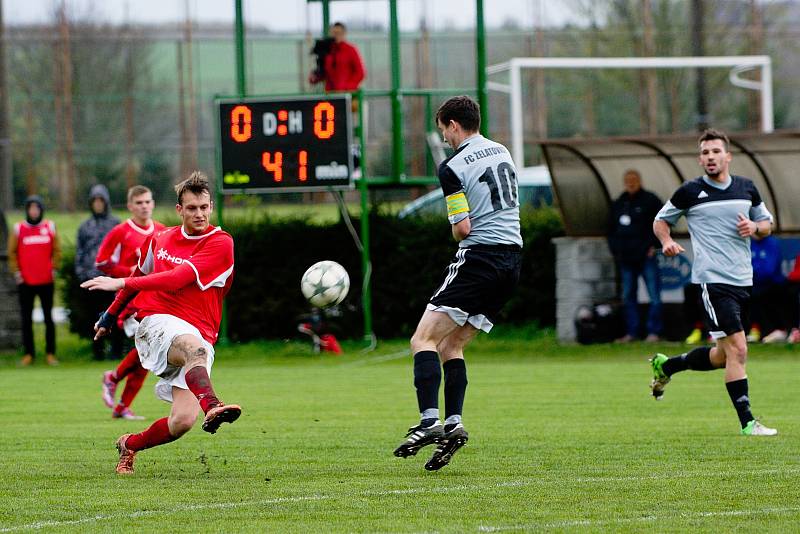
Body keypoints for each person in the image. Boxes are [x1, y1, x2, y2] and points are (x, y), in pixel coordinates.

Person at [393, 96, 522, 470]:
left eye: (444, 130)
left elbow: (462, 227)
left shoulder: (452, 165)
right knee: (452, 345)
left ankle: (430, 420)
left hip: (480, 257)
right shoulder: (502, 150)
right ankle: (454, 424)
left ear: (452, 124)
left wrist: (454, 228)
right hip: (512, 261)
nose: (445, 138)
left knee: (423, 339)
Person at [81, 171, 241, 475]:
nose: (199, 214)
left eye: (204, 207)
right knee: (195, 351)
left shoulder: (220, 243)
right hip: (157, 322)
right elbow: (140, 280)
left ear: (211, 207)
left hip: (200, 334)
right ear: (179, 209)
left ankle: (129, 445)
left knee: (181, 422)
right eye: (192, 208)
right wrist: (111, 315)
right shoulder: (161, 238)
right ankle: (213, 405)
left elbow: (178, 277)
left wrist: (119, 282)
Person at [650, 128, 777, 436]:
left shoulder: (747, 188)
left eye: (715, 151)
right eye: (705, 153)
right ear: (700, 159)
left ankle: (668, 367)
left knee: (723, 356)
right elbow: (660, 221)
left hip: (743, 281)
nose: (710, 157)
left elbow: (767, 224)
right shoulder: (690, 192)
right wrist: (666, 241)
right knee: (739, 350)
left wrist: (754, 227)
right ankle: (748, 422)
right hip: (712, 281)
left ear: (727, 156)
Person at [96, 185, 166, 420]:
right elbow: (102, 262)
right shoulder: (120, 231)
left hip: (154, 300)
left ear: (153, 203)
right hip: (131, 301)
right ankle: (113, 377)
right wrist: (132, 273)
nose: (144, 206)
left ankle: (122, 405)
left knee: (147, 355)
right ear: (130, 206)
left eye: (148, 201)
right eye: (139, 203)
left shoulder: (162, 232)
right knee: (147, 349)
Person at [607, 169, 664, 342]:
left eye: (634, 180)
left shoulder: (650, 200)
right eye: (628, 180)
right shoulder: (619, 203)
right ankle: (632, 332)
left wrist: (655, 245)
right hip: (626, 257)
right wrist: (616, 249)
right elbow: (610, 229)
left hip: (646, 255)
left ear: (640, 180)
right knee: (628, 297)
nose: (631, 183)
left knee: (654, 295)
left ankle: (654, 332)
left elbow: (664, 221)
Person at [7, 196, 61, 366]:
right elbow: (11, 253)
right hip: (26, 283)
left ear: (41, 210)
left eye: (36, 208)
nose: (34, 211)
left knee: (48, 319)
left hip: (46, 281)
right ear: (27, 210)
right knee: (26, 319)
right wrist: (17, 273)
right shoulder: (18, 229)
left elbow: (57, 251)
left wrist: (54, 269)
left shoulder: (49, 226)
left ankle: (51, 353)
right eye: (31, 208)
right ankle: (28, 354)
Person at [75, 184, 121, 360]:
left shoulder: (115, 224)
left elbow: (120, 250)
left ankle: (116, 350)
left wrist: (117, 273)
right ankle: (97, 351)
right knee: (93, 316)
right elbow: (80, 251)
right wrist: (81, 273)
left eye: (101, 201)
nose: (98, 204)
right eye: (95, 201)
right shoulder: (85, 226)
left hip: (111, 279)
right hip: (91, 278)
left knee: (113, 314)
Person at [748, 234, 789, 343]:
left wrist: (752, 271)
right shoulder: (748, 242)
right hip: (753, 283)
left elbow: (769, 270)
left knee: (767, 293)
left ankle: (777, 330)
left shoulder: (772, 243)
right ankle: (755, 329)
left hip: (772, 284)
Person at [309, 22, 366, 93]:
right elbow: (324, 72)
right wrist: (315, 77)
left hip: (347, 94)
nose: (336, 35)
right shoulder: (327, 51)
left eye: (339, 33)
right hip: (330, 93)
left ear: (344, 34)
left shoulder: (351, 50)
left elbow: (360, 73)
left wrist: (347, 87)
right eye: (334, 33)